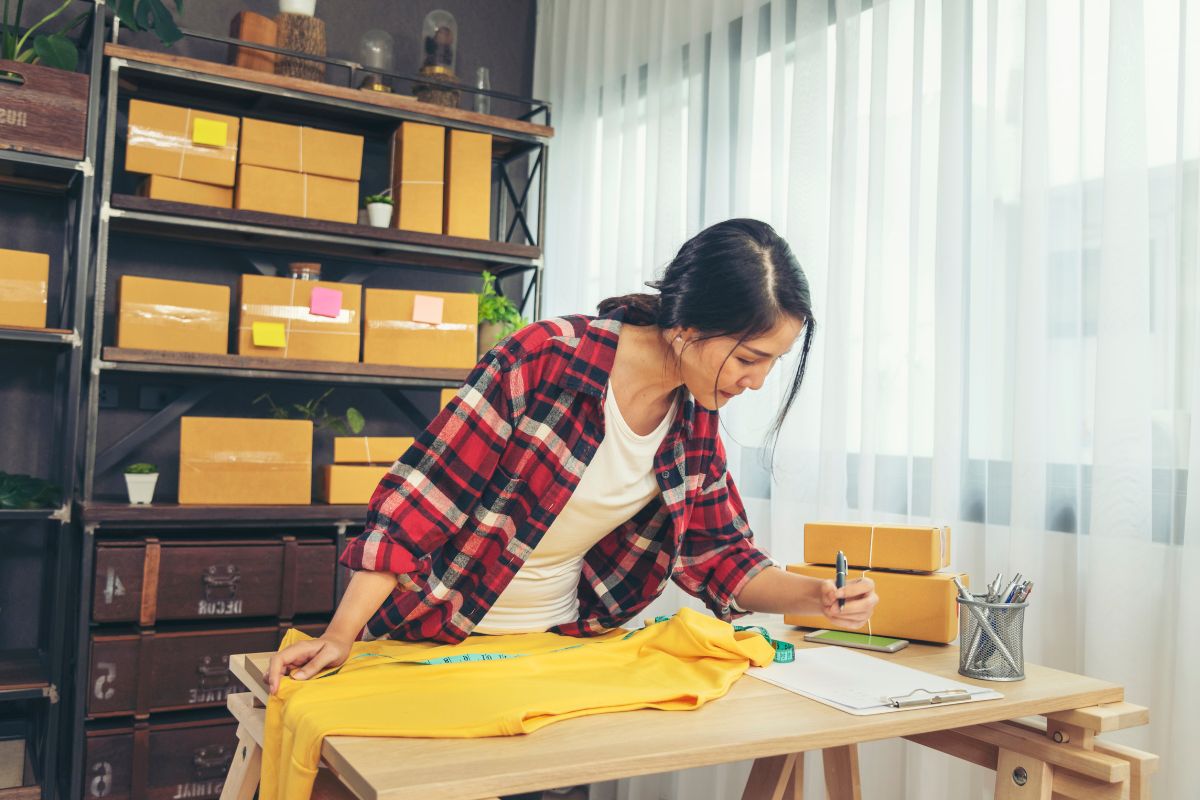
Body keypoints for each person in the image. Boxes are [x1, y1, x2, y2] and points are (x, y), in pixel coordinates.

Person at [268, 217, 878, 711]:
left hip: (558, 644)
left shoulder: (693, 417)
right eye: (749, 357)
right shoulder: (544, 359)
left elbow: (720, 554)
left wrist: (817, 596)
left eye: (774, 362)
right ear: (689, 324)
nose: (758, 381)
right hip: (437, 633)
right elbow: (419, 505)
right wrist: (341, 635)